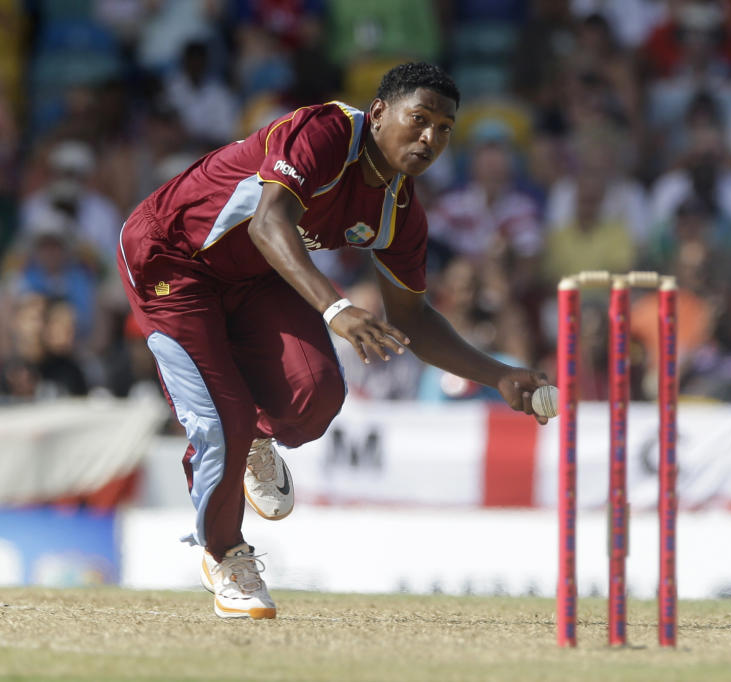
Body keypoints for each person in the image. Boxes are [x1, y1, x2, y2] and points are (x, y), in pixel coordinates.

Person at [115, 63, 548, 620]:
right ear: (380, 112)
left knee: (315, 397)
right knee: (223, 422)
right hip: (173, 259)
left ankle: (253, 442)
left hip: (255, 276)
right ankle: (225, 554)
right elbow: (268, 223)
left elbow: (412, 318)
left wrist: (499, 374)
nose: (429, 139)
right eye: (419, 120)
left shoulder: (399, 207)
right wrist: (337, 306)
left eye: (444, 129)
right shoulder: (325, 131)